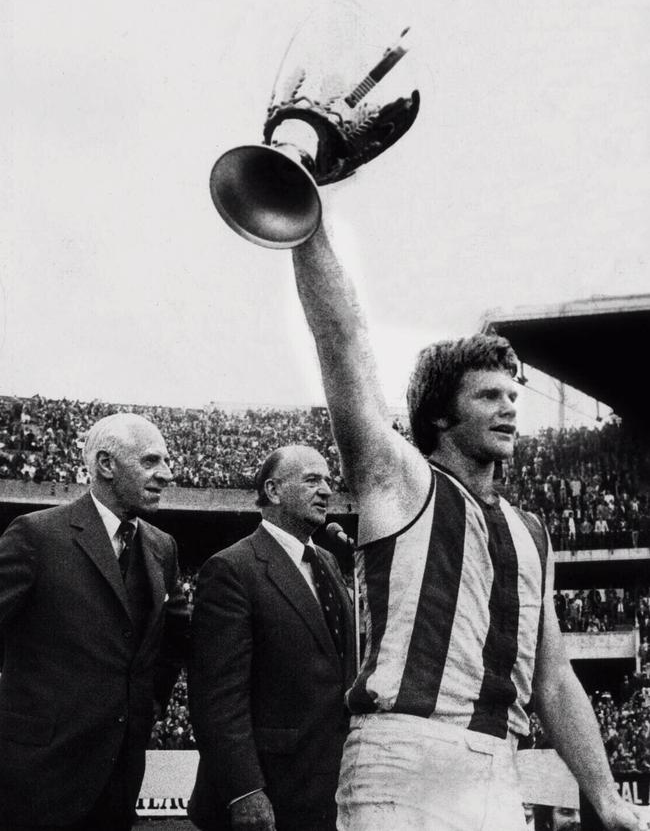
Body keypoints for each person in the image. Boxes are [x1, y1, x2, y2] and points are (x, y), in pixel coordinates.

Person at [288, 216, 643, 830]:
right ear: (441, 419)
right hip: (403, 754)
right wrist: (302, 220)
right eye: (487, 396)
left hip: (499, 768)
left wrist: (607, 796)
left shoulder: (532, 530)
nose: (508, 406)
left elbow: (554, 680)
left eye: (513, 396)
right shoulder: (399, 478)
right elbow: (339, 338)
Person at [0, 412, 190, 831]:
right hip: (37, 775)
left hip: (121, 774)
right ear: (106, 464)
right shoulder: (35, 535)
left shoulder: (163, 547)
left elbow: (173, 638)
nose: (167, 474)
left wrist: (148, 703)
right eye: (151, 461)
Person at [188, 444, 355, 831]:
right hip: (268, 794)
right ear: (274, 490)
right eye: (313, 479)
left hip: (327, 789)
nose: (327, 490)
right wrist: (244, 790)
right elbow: (217, 696)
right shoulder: (232, 568)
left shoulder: (328, 562)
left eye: (328, 479)